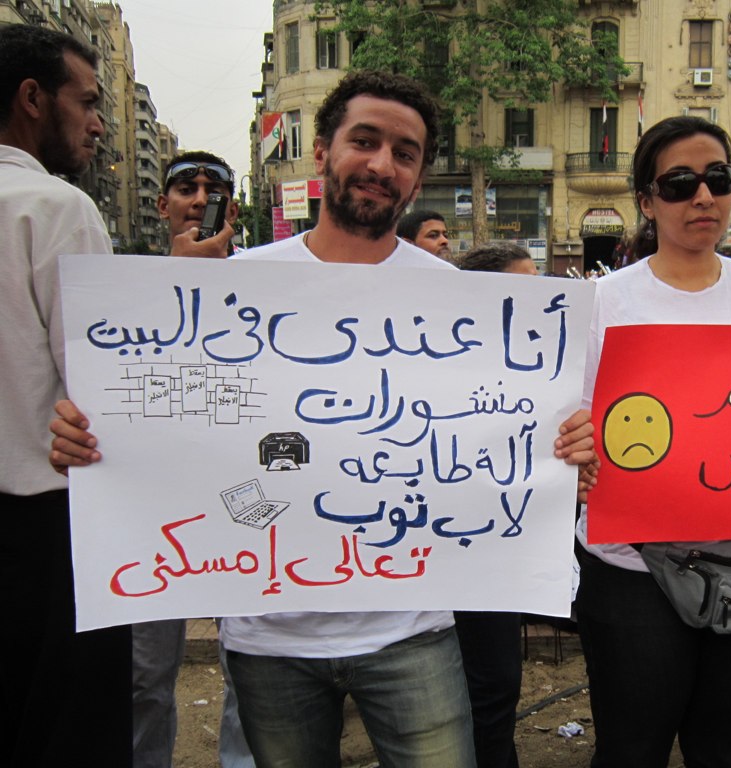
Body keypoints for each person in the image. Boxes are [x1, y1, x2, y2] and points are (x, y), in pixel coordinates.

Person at [49, 69, 595, 768]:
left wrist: (562, 449)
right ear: (321, 155)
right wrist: (91, 441)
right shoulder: (233, 289)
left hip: (413, 630)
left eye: (404, 152)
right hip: (270, 639)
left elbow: (500, 438)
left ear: (419, 173)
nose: (381, 164)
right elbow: (184, 446)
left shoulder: (463, 305)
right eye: (363, 141)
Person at [572, 115, 731, 768]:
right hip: (632, 569)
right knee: (632, 747)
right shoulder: (603, 302)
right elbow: (569, 424)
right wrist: (578, 454)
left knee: (728, 749)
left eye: (717, 179)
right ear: (646, 201)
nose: (702, 197)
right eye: (679, 183)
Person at [0, 23, 132, 766]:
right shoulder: (53, 208)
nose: (98, 122)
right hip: (47, 533)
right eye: (85, 101)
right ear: (31, 99)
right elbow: (100, 390)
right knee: (63, 730)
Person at [130, 150, 254, 768]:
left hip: (245, 493)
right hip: (158, 505)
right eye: (186, 187)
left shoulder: (265, 287)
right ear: (162, 204)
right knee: (144, 677)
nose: (198, 198)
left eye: (212, 189)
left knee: (254, 670)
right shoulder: (125, 297)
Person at [451, 242, 538, 768]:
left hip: (498, 556)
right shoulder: (436, 364)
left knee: (498, 684)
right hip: (440, 551)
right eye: (524, 289)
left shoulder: (544, 367)